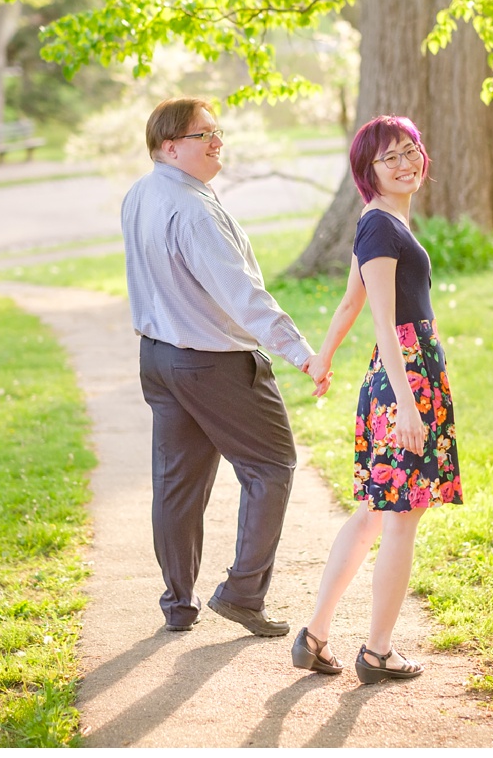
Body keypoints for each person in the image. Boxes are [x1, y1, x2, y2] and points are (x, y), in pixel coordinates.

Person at [120, 97, 328, 636]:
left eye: (218, 132)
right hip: (212, 364)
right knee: (272, 467)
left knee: (176, 484)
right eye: (202, 135)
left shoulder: (141, 194)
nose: (216, 142)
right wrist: (300, 351)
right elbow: (241, 295)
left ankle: (178, 604)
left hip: (159, 357)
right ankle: (241, 593)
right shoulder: (191, 208)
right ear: (169, 146)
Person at [292, 115, 462, 682]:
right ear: (368, 172)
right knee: (400, 519)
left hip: (404, 377)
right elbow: (385, 324)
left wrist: (323, 357)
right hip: (403, 381)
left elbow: (348, 303)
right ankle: (378, 651)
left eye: (410, 149)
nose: (405, 162)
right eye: (389, 157)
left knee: (373, 514)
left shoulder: (381, 222)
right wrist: (411, 406)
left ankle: (314, 636)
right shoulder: (381, 229)